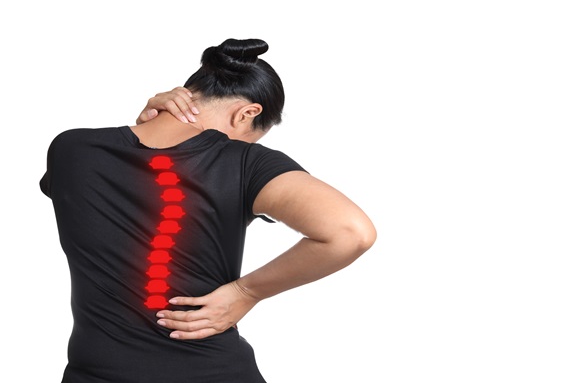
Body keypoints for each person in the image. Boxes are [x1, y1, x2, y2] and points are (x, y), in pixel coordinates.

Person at [40, 38, 376, 382]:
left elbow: (128, 173)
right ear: (247, 114)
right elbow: (350, 233)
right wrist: (246, 292)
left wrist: (147, 123)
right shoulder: (244, 162)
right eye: (252, 137)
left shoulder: (71, 149)